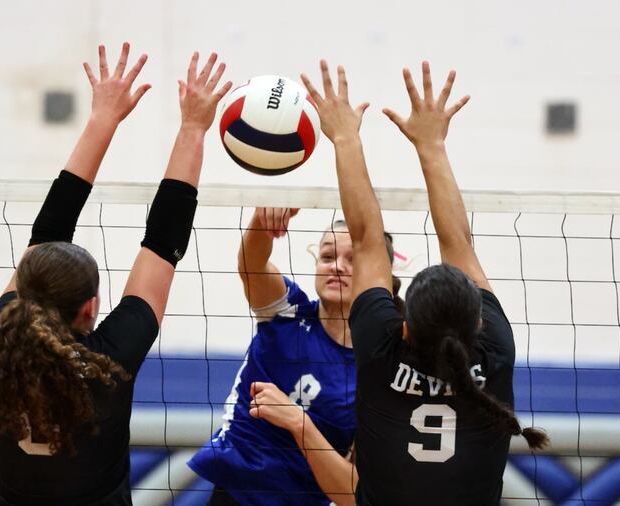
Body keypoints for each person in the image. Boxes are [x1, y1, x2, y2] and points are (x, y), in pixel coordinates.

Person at [0, 43, 231, 506]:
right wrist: (194, 126)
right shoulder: (107, 363)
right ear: (91, 308)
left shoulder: (1, 346)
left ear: (27, 287)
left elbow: (56, 230)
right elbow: (163, 242)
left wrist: (102, 119)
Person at [299, 60, 548, 505]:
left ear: (406, 325)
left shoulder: (380, 350)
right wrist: (431, 146)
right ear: (476, 323)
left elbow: (366, 239)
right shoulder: (493, 355)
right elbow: (459, 244)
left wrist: (345, 137)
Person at [188, 206, 401, 506]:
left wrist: (298, 423)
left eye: (352, 260)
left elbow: (353, 495)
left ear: (382, 279)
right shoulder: (287, 313)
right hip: (234, 494)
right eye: (328, 257)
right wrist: (262, 221)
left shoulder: (379, 371)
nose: (336, 267)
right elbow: (252, 264)